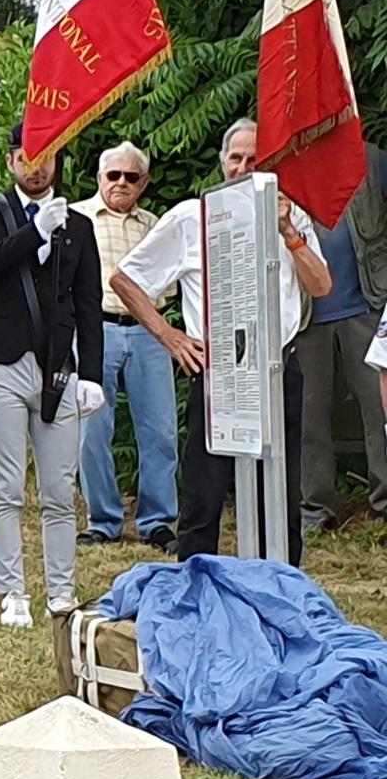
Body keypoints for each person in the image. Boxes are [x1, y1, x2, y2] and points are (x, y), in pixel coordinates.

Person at [113, 118, 332, 566]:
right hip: (220, 373)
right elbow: (126, 278)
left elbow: (322, 284)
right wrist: (170, 336)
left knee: (281, 491)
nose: (243, 166)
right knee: (205, 492)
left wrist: (289, 233)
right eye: (236, 158)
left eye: (254, 159)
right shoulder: (191, 217)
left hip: (277, 368)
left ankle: (279, 587)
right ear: (222, 164)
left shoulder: (291, 214)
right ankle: (196, 588)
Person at [0, 123, 103, 627]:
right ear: (11, 161)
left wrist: (92, 372)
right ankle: (12, 591)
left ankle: (61, 590)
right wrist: (35, 232)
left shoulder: (80, 226)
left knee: (60, 487)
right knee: (4, 483)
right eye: (28, 156)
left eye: (47, 156)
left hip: (56, 367)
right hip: (1, 361)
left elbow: (89, 304)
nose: (37, 166)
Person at [71, 141, 178, 549]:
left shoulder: (155, 225)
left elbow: (167, 285)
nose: (120, 183)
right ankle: (103, 520)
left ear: (144, 183)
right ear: (99, 178)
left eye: (130, 176)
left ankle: (157, 522)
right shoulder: (77, 218)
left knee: (161, 429)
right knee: (92, 430)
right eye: (113, 175)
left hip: (148, 330)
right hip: (95, 330)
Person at [299, 144, 387, 532]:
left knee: (380, 409)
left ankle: (383, 503)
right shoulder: (285, 165)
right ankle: (316, 510)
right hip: (305, 317)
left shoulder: (371, 160)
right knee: (309, 416)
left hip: (368, 305)